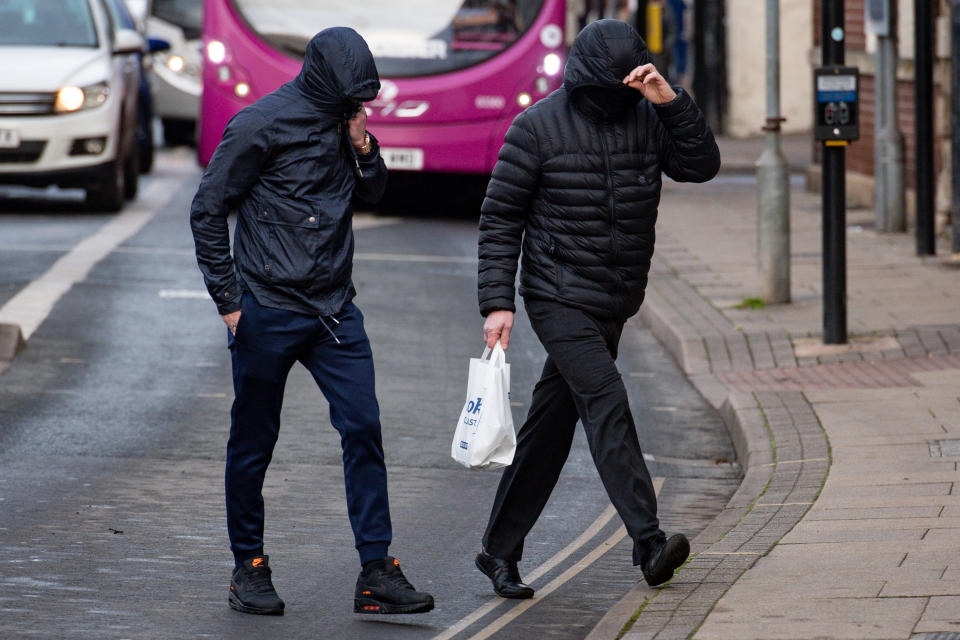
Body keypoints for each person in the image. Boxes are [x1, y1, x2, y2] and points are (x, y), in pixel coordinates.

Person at [189, 27, 434, 616]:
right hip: (266, 310)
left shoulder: (348, 119)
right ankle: (248, 566)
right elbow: (207, 208)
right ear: (323, 77)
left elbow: (374, 194)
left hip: (333, 311)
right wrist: (230, 302)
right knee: (253, 443)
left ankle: (376, 570)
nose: (361, 107)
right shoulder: (259, 125)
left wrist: (364, 145)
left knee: (364, 428)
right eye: (354, 98)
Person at [474, 19, 720, 598]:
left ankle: (498, 552)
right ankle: (648, 543)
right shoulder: (536, 127)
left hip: (615, 297)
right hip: (557, 293)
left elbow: (701, 165)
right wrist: (497, 302)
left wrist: (672, 101)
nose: (620, 98)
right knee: (606, 398)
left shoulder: (649, 117)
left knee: (551, 428)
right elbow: (500, 217)